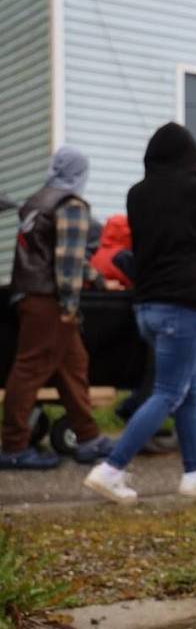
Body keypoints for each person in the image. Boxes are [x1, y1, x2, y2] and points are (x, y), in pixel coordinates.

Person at [84, 122, 196, 504]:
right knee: (169, 391)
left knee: (187, 388)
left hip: (147, 306)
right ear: (191, 157)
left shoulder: (137, 194)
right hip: (184, 305)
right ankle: (111, 468)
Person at [0, 147, 120, 470]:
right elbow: (67, 261)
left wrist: (97, 280)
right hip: (50, 300)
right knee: (29, 369)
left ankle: (87, 437)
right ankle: (13, 445)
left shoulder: (36, 202)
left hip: (30, 294)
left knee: (74, 365)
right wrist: (69, 304)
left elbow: (55, 253)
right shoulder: (71, 205)